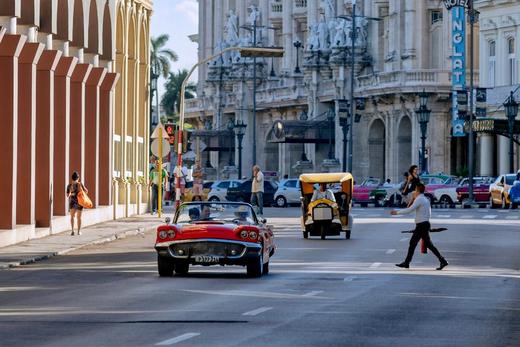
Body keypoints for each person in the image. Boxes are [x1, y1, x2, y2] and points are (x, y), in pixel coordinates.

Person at [390, 183, 448, 270]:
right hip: (423, 224)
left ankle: (407, 262)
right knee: (422, 244)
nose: (413, 192)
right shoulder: (424, 199)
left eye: (414, 190)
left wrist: (396, 212)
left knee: (417, 243)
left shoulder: (420, 199)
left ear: (417, 190)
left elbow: (409, 210)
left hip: (422, 225)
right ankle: (442, 260)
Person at [66, 171, 88, 236]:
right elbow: (86, 191)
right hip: (80, 202)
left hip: (72, 202)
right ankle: (79, 231)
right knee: (79, 217)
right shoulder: (80, 184)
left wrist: (72, 193)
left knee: (72, 217)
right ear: (78, 178)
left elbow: (67, 195)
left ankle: (72, 231)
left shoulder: (69, 186)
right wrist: (80, 193)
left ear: (72, 178)